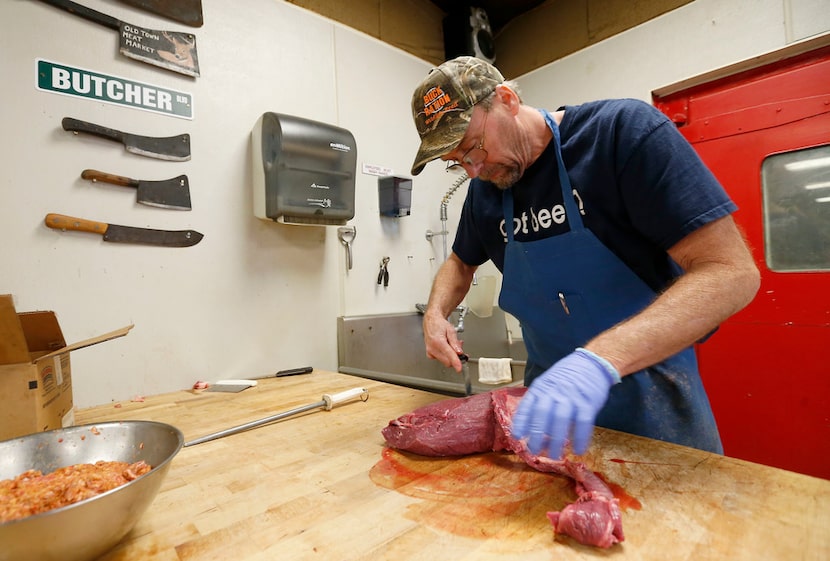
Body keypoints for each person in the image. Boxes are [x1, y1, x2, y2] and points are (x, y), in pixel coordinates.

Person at [409, 56, 760, 459]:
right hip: (547, 423)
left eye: (473, 148)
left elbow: (731, 272)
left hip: (653, 411)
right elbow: (460, 262)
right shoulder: (485, 189)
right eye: (455, 163)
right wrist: (435, 314)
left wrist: (596, 363)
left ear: (505, 100)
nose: (472, 171)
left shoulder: (620, 135)